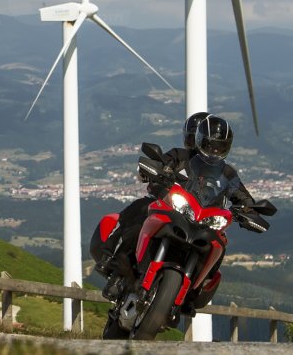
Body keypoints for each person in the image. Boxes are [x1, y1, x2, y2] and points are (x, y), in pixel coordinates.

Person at [93, 114, 257, 300]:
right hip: (173, 208)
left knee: (220, 243)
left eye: (219, 146)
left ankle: (197, 289)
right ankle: (113, 261)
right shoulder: (180, 156)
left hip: (204, 221)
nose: (214, 150)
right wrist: (155, 173)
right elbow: (160, 164)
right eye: (210, 144)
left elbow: (243, 196)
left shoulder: (227, 173)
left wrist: (249, 210)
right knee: (142, 211)